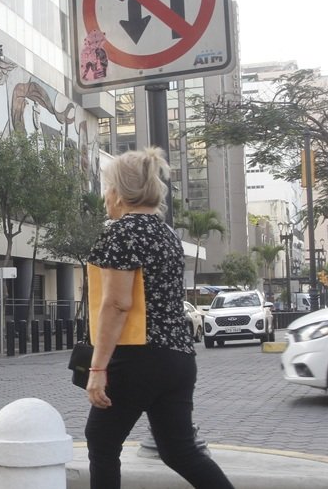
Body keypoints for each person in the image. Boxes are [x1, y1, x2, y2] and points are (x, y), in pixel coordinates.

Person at [84, 148, 232, 489]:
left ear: (118, 194)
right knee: (179, 450)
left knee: (101, 441)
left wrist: (97, 369)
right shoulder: (167, 234)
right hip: (178, 357)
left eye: (106, 188)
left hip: (138, 355)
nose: (105, 196)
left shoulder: (122, 232)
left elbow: (116, 305)